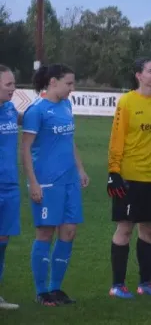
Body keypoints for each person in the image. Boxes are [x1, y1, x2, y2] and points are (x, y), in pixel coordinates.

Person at [21, 64, 90, 306]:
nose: (72, 88)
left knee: (69, 231)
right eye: (69, 83)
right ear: (53, 82)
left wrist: (80, 168)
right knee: (45, 233)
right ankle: (41, 292)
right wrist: (33, 182)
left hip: (69, 180)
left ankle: (56, 288)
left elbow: (69, 141)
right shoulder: (36, 111)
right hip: (47, 182)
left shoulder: (66, 106)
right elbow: (26, 148)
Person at [107, 57, 151, 299]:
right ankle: (117, 285)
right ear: (138, 75)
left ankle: (146, 283)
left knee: (149, 230)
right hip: (131, 177)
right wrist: (114, 171)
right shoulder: (127, 102)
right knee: (125, 228)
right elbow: (117, 137)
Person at [0, 65, 21, 310]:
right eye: (8, 85)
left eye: (14, 84)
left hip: (10, 185)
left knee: (3, 240)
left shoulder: (10, 109)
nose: (13, 89)